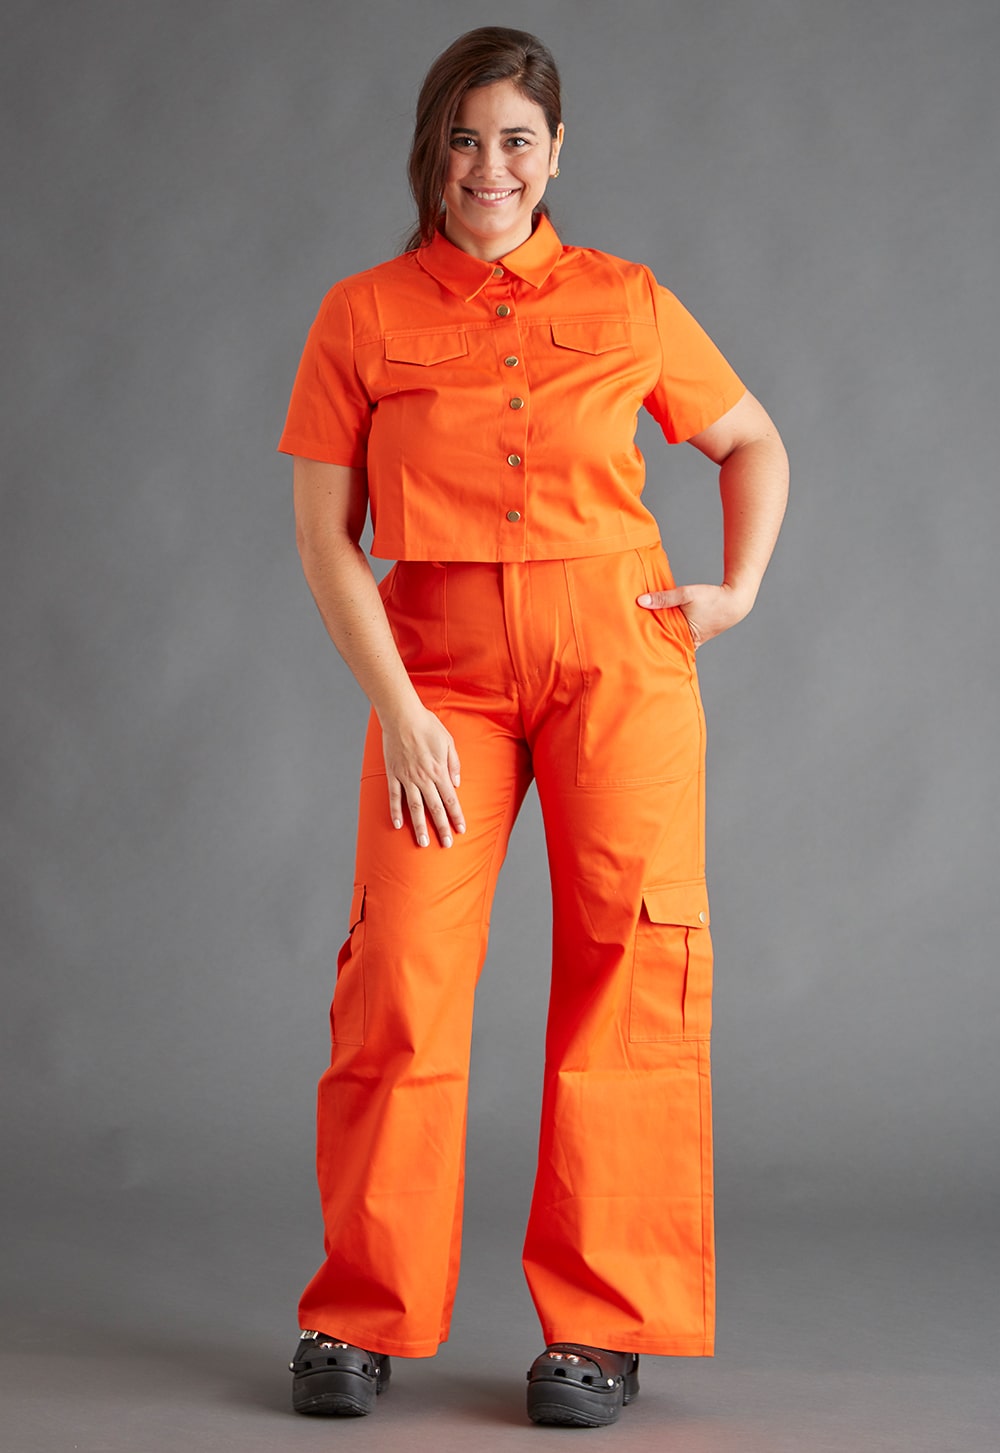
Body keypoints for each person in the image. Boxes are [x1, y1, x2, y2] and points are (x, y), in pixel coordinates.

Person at [278, 25, 788, 1429]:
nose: (489, 166)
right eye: (464, 138)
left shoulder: (628, 300)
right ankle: (360, 1308)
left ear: (556, 151)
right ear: (430, 152)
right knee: (400, 976)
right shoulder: (362, 315)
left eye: (516, 139)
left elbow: (751, 439)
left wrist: (737, 589)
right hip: (436, 680)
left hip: (620, 667)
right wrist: (399, 708)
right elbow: (325, 540)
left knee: (630, 972)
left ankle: (599, 1328)